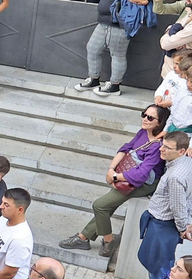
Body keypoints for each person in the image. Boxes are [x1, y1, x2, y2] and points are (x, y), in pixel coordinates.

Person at [60, 103, 168, 257]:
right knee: (107, 206)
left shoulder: (157, 146)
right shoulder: (143, 132)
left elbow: (142, 174)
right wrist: (111, 169)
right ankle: (83, 238)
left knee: (100, 205)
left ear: (160, 122)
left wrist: (116, 177)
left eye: (150, 117)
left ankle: (109, 241)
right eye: (144, 114)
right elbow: (125, 149)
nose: (145, 119)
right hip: (128, 174)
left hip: (145, 183)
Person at [78, 0, 152, 97]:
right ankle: (94, 79)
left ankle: (115, 85)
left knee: (117, 55)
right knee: (93, 48)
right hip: (104, 21)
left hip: (119, 24)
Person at [140, 131, 192, 279]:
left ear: (181, 151)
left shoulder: (175, 177)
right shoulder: (189, 163)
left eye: (167, 147)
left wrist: (182, 227)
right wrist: (187, 222)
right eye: (162, 144)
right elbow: (191, 195)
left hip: (162, 226)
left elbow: (178, 206)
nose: (161, 149)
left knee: (161, 273)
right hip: (165, 225)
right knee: (158, 267)